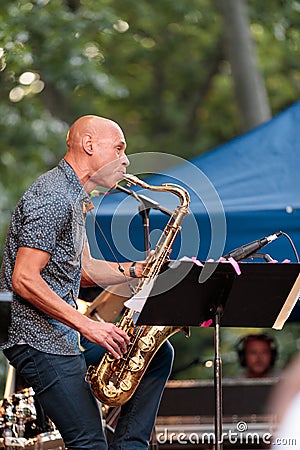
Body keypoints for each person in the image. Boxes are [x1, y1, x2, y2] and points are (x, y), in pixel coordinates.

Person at [0, 115, 174, 450]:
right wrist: (88, 326)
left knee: (158, 354)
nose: (125, 159)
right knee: (89, 442)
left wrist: (136, 269)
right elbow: (23, 278)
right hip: (36, 338)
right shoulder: (52, 196)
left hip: (61, 332)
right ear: (89, 144)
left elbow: (83, 269)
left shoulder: (75, 197)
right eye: (119, 148)